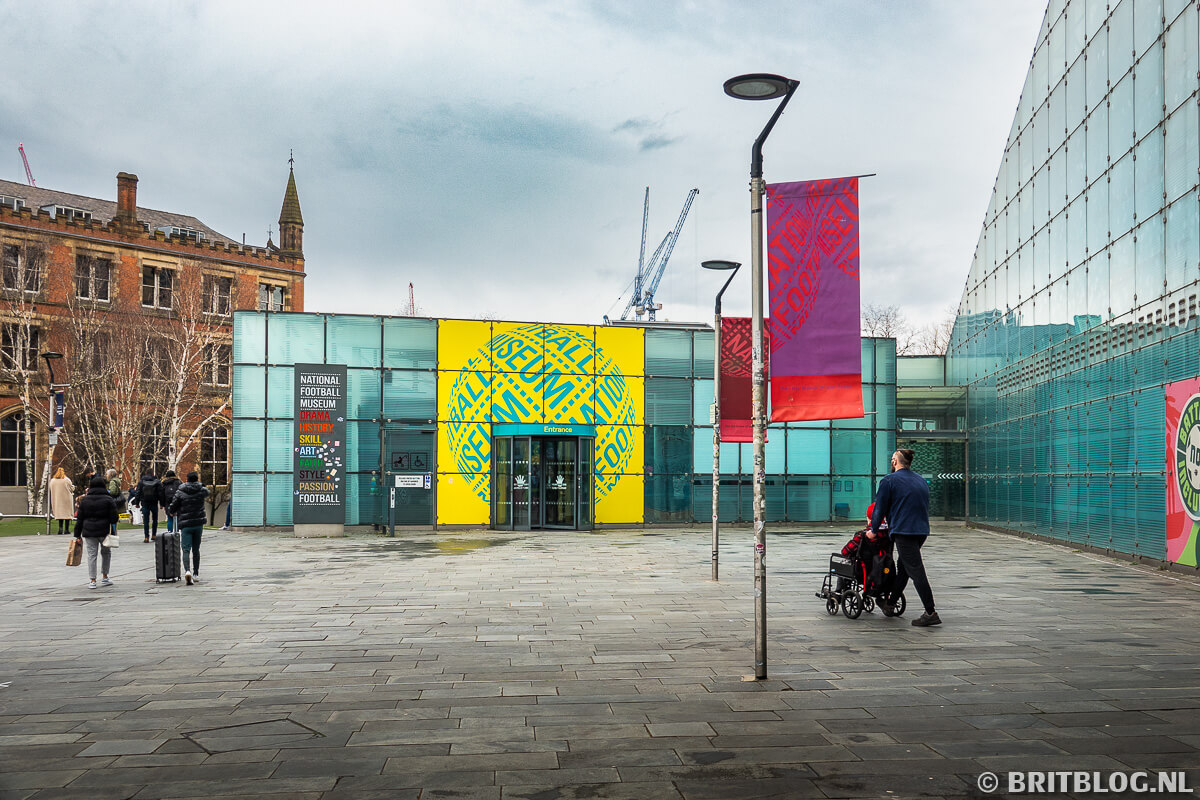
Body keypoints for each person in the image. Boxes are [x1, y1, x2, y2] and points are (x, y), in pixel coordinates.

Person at [870, 448, 939, 627]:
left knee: (916, 571)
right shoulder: (920, 480)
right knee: (904, 568)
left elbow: (879, 508)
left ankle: (930, 612)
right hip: (921, 531)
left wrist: (874, 529)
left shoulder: (889, 481)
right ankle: (890, 604)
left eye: (892, 459)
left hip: (904, 531)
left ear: (895, 461)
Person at [74, 475, 118, 588]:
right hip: (104, 530)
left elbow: (80, 519)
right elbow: (114, 518)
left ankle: (92, 580)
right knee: (106, 553)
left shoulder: (85, 500)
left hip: (88, 531)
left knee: (91, 555)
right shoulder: (108, 499)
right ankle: (105, 576)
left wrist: (77, 534)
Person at [168, 471, 209, 585]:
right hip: (198, 523)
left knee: (186, 549)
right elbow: (207, 492)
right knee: (196, 549)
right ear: (197, 479)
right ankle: (196, 573)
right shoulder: (201, 490)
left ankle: (187, 571)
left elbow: (173, 505)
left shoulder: (180, 491)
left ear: (187, 479)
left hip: (185, 524)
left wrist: (172, 511)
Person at [131, 472, 163, 543]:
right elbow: (160, 493)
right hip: (154, 502)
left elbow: (138, 492)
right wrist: (161, 503)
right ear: (152, 474)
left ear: (146, 473)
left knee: (146, 520)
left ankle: (146, 537)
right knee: (155, 519)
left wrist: (137, 503)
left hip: (145, 502)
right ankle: (154, 535)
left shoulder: (141, 482)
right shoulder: (157, 482)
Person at [49, 467, 75, 534]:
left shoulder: (53, 480)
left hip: (57, 499)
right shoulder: (66, 480)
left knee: (60, 515)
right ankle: (66, 529)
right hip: (67, 499)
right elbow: (71, 488)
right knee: (67, 515)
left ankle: (60, 529)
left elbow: (50, 488)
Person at [105, 468, 125, 539]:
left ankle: (113, 533)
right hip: (117, 502)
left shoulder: (112, 482)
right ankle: (114, 532)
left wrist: (107, 491)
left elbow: (113, 492)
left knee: (111, 518)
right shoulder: (117, 481)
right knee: (114, 518)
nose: (106, 475)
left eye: (107, 474)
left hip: (113, 501)